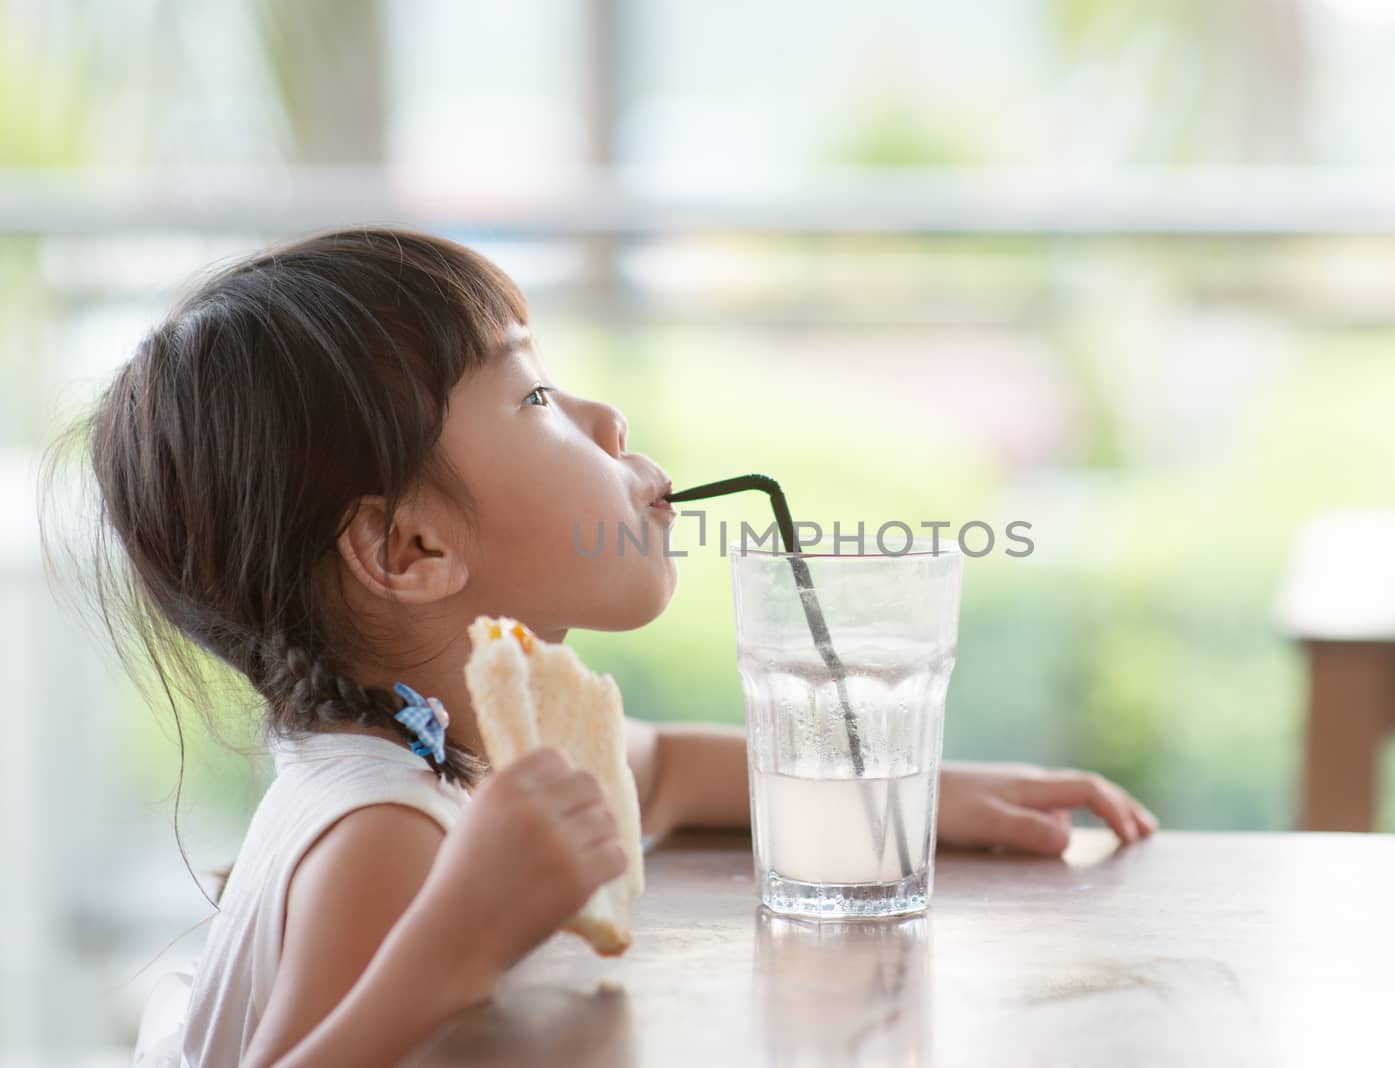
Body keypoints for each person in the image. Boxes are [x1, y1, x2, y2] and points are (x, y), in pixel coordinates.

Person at [55, 226, 1156, 1067]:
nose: (607, 419)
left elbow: (659, 771)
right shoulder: (386, 840)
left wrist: (934, 795)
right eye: (534, 392)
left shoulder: (471, 748)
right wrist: (451, 947)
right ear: (411, 546)